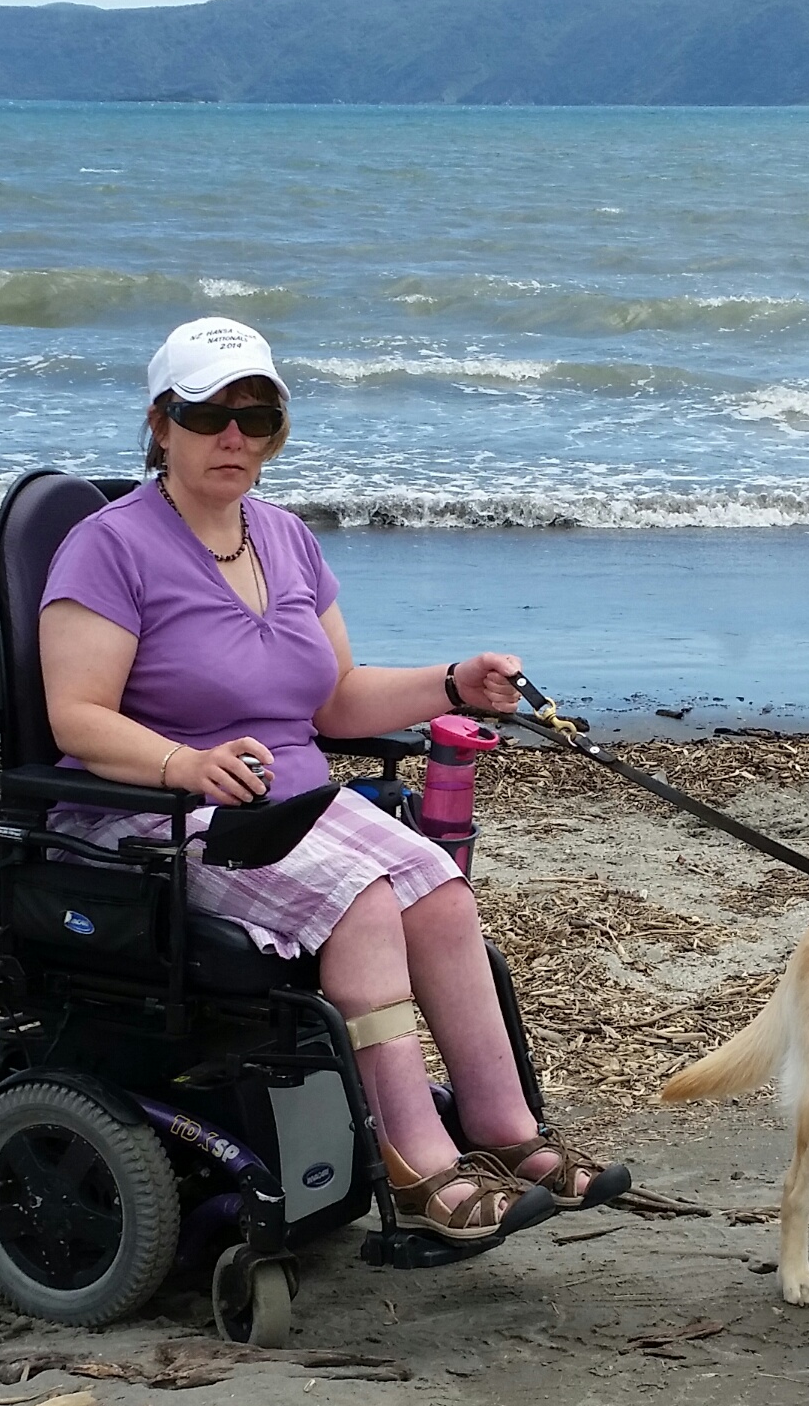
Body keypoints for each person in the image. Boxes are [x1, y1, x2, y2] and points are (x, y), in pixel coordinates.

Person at [35, 317, 622, 1243]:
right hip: (158, 811)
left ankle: (505, 1130)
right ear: (160, 422)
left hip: (295, 807)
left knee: (438, 891)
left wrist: (448, 684)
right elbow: (77, 717)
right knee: (367, 897)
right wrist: (185, 763)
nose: (236, 436)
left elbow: (337, 700)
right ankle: (415, 1160)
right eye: (209, 414)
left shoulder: (287, 538)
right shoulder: (108, 547)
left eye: (258, 416)